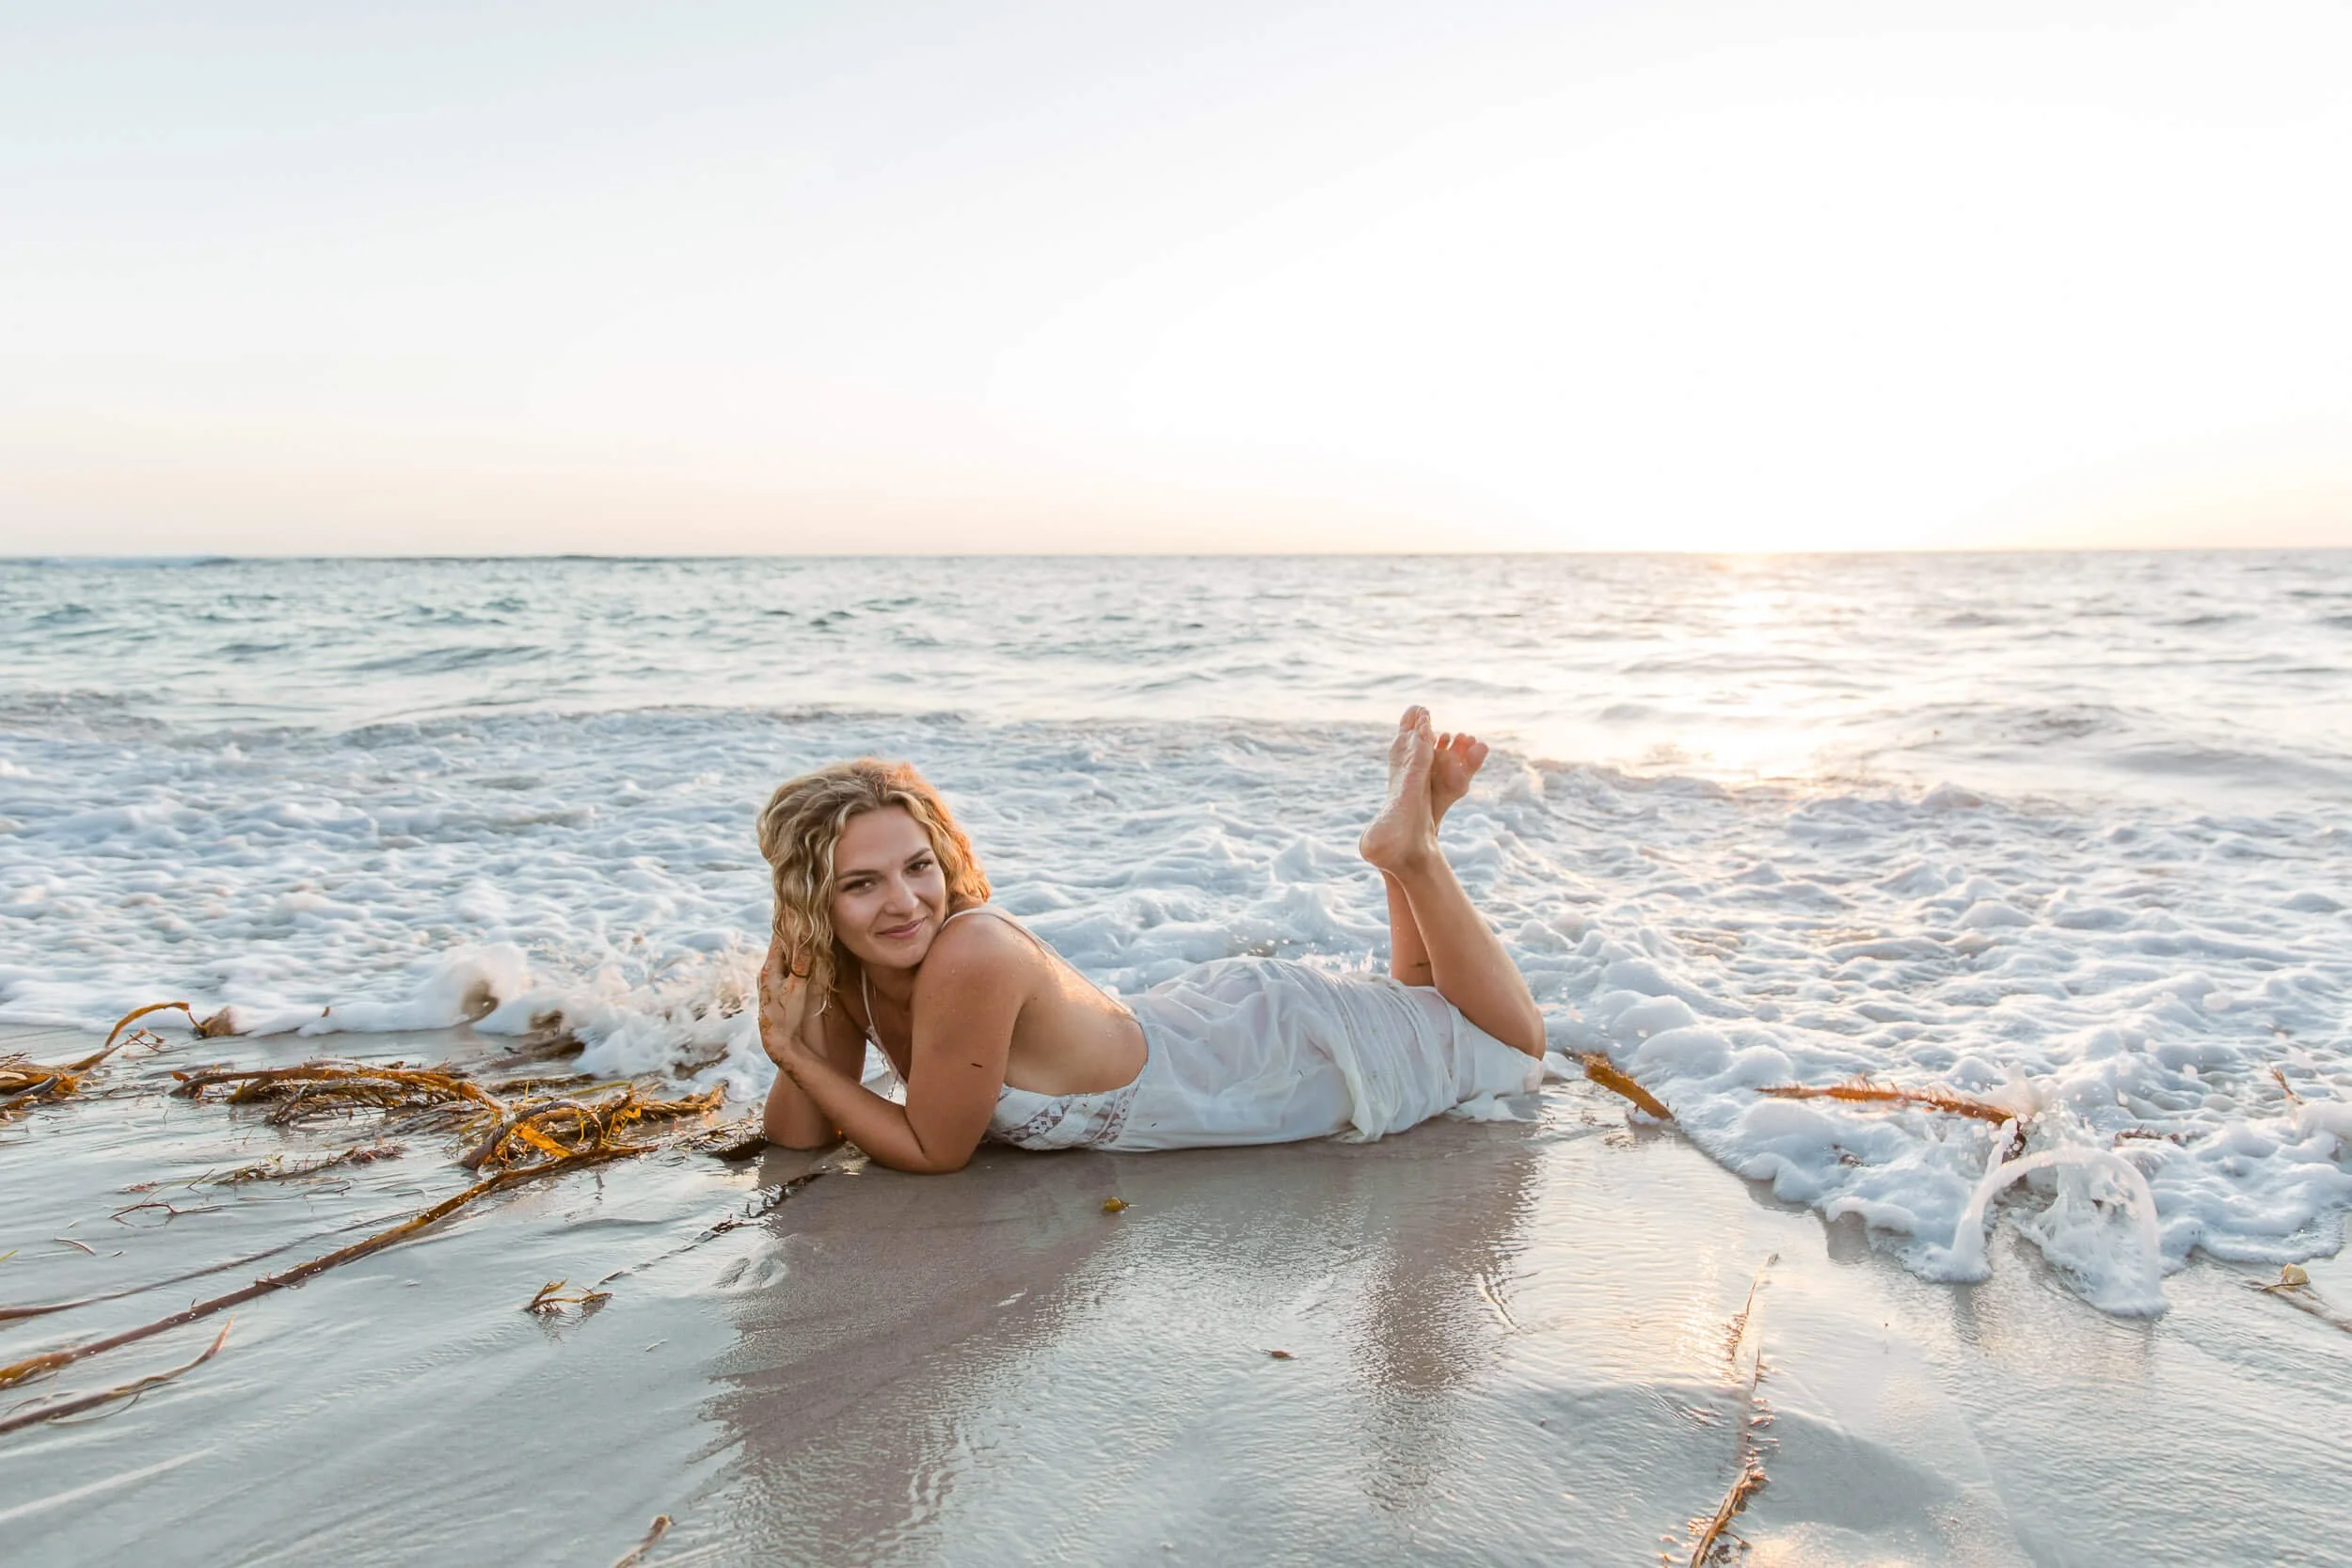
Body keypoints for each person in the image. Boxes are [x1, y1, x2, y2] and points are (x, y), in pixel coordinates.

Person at [754, 706, 1548, 1172]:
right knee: (1416, 1006)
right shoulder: (846, 963)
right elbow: (801, 1136)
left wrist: (792, 1054)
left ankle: (1415, 853)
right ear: (813, 900)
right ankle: (1416, 842)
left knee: (1514, 1050)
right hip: (1205, 1032)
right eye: (861, 884)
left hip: (1253, 1064)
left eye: (918, 867)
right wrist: (801, 1033)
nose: (904, 903)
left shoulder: (970, 953)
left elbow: (934, 1150)